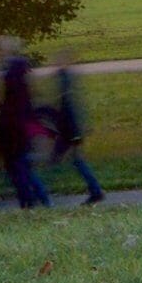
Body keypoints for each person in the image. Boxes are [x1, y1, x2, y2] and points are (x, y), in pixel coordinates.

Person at [39, 54, 106, 205]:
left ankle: (42, 192)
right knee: (74, 160)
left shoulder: (64, 82)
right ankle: (95, 190)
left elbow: (66, 109)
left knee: (58, 160)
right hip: (71, 130)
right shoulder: (68, 81)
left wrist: (44, 112)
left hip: (69, 131)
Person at [0, 45, 50, 208]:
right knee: (23, 168)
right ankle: (38, 199)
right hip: (20, 134)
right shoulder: (23, 89)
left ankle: (31, 201)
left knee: (19, 169)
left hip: (14, 135)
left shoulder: (13, 87)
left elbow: (7, 112)